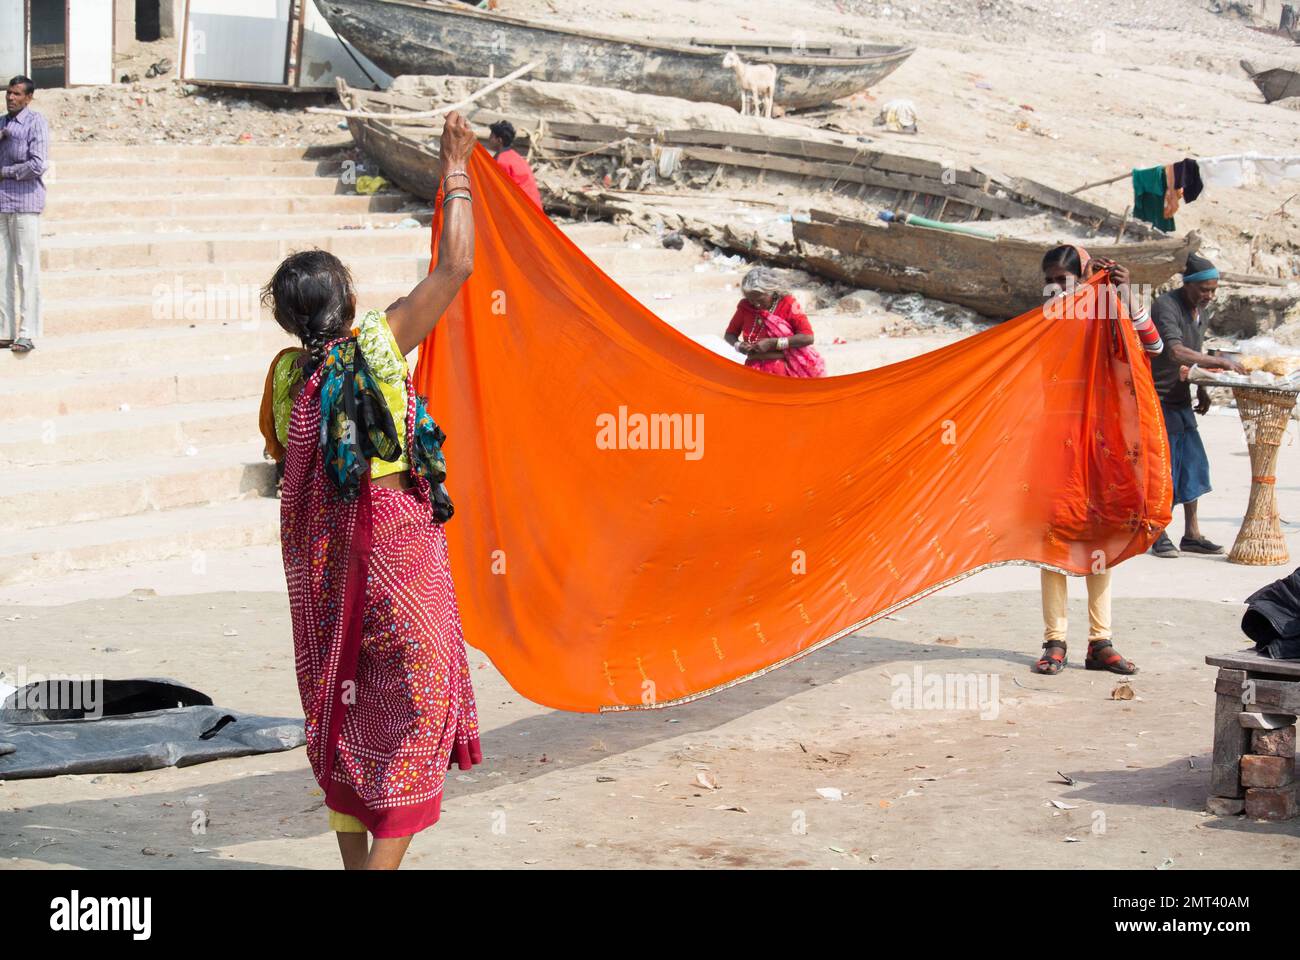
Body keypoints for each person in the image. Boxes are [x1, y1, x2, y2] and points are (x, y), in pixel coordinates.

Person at [260, 112, 481, 870]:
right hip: (392, 547)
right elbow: (456, 268)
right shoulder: (377, 349)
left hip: (323, 569)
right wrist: (456, 166)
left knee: (345, 707)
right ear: (348, 306)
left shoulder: (287, 377)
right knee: (422, 707)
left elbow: (282, 460)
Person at [1032, 244, 1162, 676]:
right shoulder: (1047, 318)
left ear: (1085, 276)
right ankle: (1055, 641)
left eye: (1062, 279)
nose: (1054, 287)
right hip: (1057, 437)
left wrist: (1126, 298)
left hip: (1105, 439)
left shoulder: (1110, 311)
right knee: (1055, 534)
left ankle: (1099, 642)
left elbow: (1155, 346)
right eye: (1048, 279)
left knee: (1103, 530)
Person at [1147, 253, 1245, 558]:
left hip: (1180, 398)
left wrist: (1201, 388)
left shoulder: (1200, 311)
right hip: (1158, 397)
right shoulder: (1166, 306)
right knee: (1164, 469)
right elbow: (1175, 351)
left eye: (1214, 290)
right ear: (1187, 285)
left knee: (1193, 465)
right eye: (1205, 289)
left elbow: (1195, 353)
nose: (1210, 295)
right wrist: (1220, 362)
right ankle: (1157, 532)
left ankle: (1191, 533)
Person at [0, 76, 48, 355]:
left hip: (26, 203)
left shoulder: (35, 122)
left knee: (26, 269)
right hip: (2, 204)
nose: (11, 98)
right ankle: (5, 331)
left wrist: (5, 172)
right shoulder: (2, 123)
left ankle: (27, 332)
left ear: (29, 98)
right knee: (2, 268)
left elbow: (38, 164)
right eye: (9, 92)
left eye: (17, 94)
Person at [724, 266, 826, 377]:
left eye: (760, 299)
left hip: (781, 372)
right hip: (752, 370)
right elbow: (730, 334)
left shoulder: (787, 303)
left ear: (771, 292)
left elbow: (807, 337)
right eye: (751, 300)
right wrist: (739, 345)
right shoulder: (745, 306)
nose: (755, 304)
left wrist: (774, 343)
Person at [487, 120, 543, 209]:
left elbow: (497, 191)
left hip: (524, 209)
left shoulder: (502, 161)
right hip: (534, 206)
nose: (488, 139)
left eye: (491, 137)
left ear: (499, 140)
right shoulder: (514, 155)